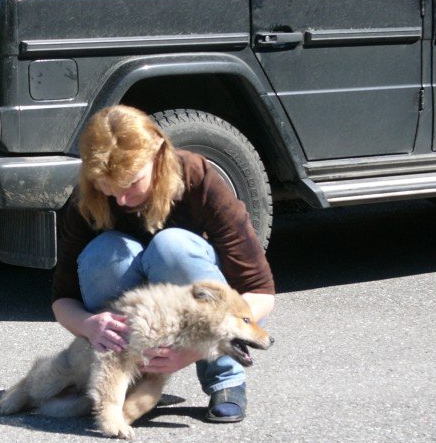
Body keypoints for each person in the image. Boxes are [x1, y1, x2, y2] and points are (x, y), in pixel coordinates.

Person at [51, 105, 275, 423]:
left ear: (157, 152)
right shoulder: (87, 200)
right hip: (136, 315)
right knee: (105, 252)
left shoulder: (197, 177)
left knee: (172, 247)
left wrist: (191, 351)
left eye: (131, 184)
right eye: (108, 189)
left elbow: (261, 291)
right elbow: (63, 299)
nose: (121, 200)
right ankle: (129, 382)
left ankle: (226, 379)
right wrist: (89, 325)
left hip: (189, 292)